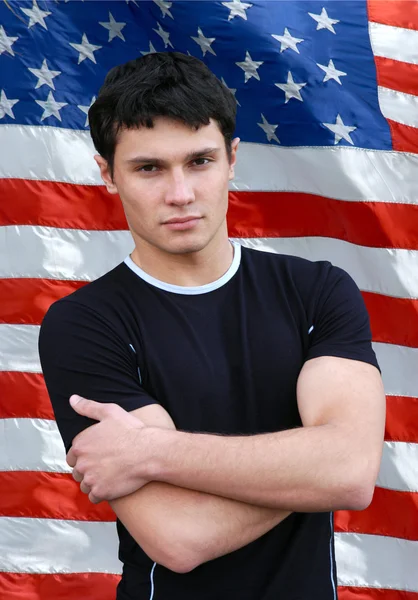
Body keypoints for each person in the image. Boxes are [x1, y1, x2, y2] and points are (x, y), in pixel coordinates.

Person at [39, 51, 386, 600]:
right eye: (149, 168)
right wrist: (312, 464)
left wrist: (154, 452)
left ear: (232, 158)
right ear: (107, 174)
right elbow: (181, 535)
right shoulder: (84, 324)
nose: (180, 194)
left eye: (199, 161)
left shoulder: (317, 291)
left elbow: (351, 474)